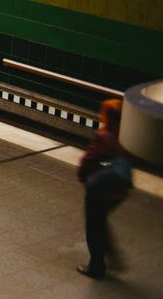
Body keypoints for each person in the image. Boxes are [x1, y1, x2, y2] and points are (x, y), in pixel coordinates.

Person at [76, 98, 131, 280]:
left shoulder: (104, 136)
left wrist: (83, 176)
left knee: (94, 225)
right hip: (121, 187)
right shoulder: (126, 137)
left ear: (106, 116)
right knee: (100, 221)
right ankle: (111, 254)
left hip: (100, 187)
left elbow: (89, 160)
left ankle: (96, 267)